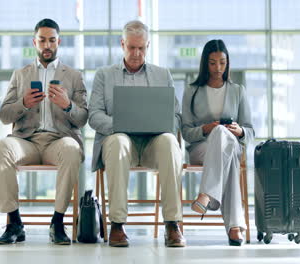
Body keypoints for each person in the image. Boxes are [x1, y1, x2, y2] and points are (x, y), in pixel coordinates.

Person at [88, 20, 185, 248]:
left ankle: (172, 223)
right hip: (120, 144)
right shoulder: (104, 75)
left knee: (170, 142)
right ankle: (117, 225)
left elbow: (176, 116)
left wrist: (158, 123)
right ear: (122, 44)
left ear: (148, 46)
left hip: (153, 144)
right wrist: (121, 124)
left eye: (141, 48)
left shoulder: (163, 75)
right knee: (119, 141)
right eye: (132, 47)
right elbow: (94, 115)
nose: (136, 53)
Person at [0, 18, 88, 246]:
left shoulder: (74, 76)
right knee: (0, 149)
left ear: (59, 42)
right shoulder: (20, 74)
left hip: (60, 139)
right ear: (34, 42)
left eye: (52, 40)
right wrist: (23, 103)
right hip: (27, 140)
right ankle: (14, 222)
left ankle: (57, 222)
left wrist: (67, 104)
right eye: (42, 40)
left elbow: (83, 118)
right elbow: (5, 115)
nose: (47, 45)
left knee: (73, 150)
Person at [181, 39, 254, 246]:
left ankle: (206, 195)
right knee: (223, 142)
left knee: (225, 139)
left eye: (222, 62)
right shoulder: (191, 91)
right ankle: (234, 227)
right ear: (205, 64)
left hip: (231, 146)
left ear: (227, 62)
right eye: (212, 63)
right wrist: (206, 129)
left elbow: (250, 130)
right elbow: (186, 132)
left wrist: (240, 131)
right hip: (201, 149)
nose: (218, 68)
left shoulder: (238, 90)